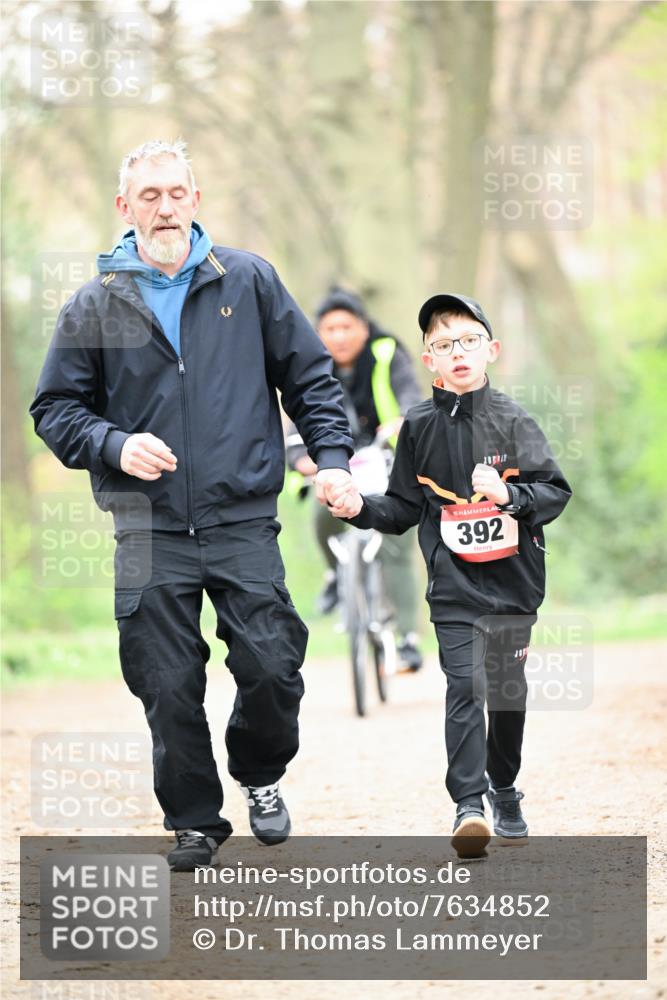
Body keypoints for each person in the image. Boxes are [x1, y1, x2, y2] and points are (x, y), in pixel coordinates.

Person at [29, 140, 354, 871]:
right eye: (149, 195)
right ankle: (195, 820)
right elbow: (55, 408)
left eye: (177, 192)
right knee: (167, 681)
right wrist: (113, 445)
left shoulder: (248, 280)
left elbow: (310, 382)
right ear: (124, 208)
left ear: (196, 198)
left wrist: (331, 461)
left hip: (241, 514)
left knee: (272, 666)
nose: (165, 206)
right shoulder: (95, 303)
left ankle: (260, 773)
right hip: (147, 528)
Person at [328, 292, 572, 858]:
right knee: (464, 685)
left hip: (513, 583)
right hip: (454, 585)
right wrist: (357, 508)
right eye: (442, 345)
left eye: (467, 341)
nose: (457, 352)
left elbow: (555, 492)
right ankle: (469, 805)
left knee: (506, 694)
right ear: (429, 360)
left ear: (491, 349)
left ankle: (504, 787)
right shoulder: (417, 427)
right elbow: (402, 508)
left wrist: (509, 495)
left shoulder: (514, 419)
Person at [285, 287, 424, 670]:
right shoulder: (309, 361)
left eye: (347, 326)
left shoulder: (386, 353)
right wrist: (299, 459)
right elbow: (295, 418)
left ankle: (408, 640)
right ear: (319, 333)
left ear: (364, 328)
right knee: (323, 517)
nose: (339, 336)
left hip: (386, 458)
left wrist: (404, 421)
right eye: (330, 328)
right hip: (337, 463)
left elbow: (409, 394)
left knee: (397, 546)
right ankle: (336, 575)